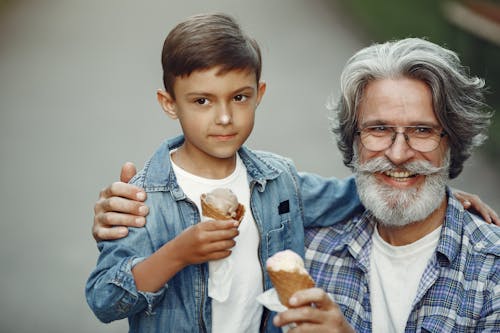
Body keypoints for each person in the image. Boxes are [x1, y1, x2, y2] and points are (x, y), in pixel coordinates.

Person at [85, 12, 365, 333]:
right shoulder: (142, 199)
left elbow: (352, 197)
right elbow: (104, 299)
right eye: (202, 100)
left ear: (259, 94)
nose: (224, 117)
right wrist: (177, 254)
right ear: (169, 103)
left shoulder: (279, 180)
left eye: (239, 98)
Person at [272, 38, 499, 332]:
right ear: (353, 140)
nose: (398, 154)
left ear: (453, 141)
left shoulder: (492, 272)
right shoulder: (307, 248)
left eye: (422, 130)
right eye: (379, 129)